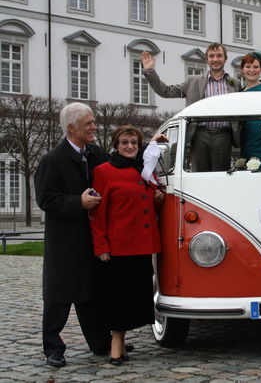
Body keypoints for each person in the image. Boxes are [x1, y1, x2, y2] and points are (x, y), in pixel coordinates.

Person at [34, 102, 111, 367]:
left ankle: (100, 343)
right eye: (88, 123)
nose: (93, 127)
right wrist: (77, 202)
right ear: (71, 127)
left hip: (92, 237)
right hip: (65, 241)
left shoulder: (96, 153)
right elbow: (46, 200)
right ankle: (53, 348)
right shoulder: (51, 161)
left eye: (93, 122)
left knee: (91, 293)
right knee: (59, 297)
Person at [90, 125, 164, 365]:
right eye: (125, 142)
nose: (130, 146)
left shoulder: (144, 171)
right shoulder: (104, 171)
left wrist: (157, 200)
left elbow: (147, 207)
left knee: (134, 299)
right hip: (118, 247)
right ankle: (115, 345)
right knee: (118, 299)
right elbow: (97, 213)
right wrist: (100, 245)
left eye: (134, 142)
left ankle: (121, 343)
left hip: (142, 245)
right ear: (116, 145)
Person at [141, 43, 240, 171]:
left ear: (225, 58)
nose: (215, 59)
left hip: (224, 136)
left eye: (219, 55)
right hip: (199, 135)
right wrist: (150, 71)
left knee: (221, 175)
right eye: (211, 56)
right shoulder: (193, 81)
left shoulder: (234, 84)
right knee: (198, 176)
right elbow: (165, 91)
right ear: (207, 59)